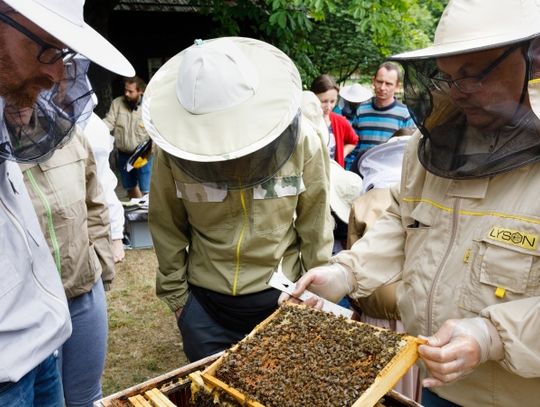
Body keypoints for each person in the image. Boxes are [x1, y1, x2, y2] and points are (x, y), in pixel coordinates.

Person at [284, 0, 540, 405]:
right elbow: (404, 223)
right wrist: (345, 274)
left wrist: (492, 336)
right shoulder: (430, 144)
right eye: (450, 77)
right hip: (436, 382)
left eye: (474, 75)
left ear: (533, 58)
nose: (459, 93)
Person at [143, 37, 334, 362]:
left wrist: (313, 294)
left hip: (281, 302)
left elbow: (315, 224)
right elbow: (166, 224)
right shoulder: (172, 152)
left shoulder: (303, 139)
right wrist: (179, 302)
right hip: (204, 310)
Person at [0, 0, 134, 406]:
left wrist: (102, 260)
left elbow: (96, 200)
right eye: (48, 50)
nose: (58, 73)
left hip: (44, 329)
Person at [20, 115, 115, 406]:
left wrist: (101, 262)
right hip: (30, 311)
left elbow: (94, 203)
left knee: (86, 395)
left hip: (84, 292)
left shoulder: (71, 135)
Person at [344, 62, 415, 171]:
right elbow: (353, 145)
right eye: (379, 82)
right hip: (360, 172)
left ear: (397, 86)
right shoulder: (361, 110)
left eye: (388, 84)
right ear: (373, 81)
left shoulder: (405, 114)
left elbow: (408, 151)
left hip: (388, 175)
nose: (382, 87)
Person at [103, 75, 152, 199]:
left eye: (131, 91)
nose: (127, 93)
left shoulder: (149, 105)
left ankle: (149, 213)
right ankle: (137, 211)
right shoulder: (117, 103)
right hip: (124, 153)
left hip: (143, 153)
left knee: (146, 188)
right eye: (125, 90)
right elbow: (109, 122)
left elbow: (156, 130)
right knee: (129, 186)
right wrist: (96, 129)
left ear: (140, 91)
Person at [310, 74, 358, 168]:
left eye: (332, 101)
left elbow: (353, 141)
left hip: (334, 175)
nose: (328, 107)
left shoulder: (340, 121)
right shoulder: (305, 121)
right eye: (323, 101)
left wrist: (341, 154)